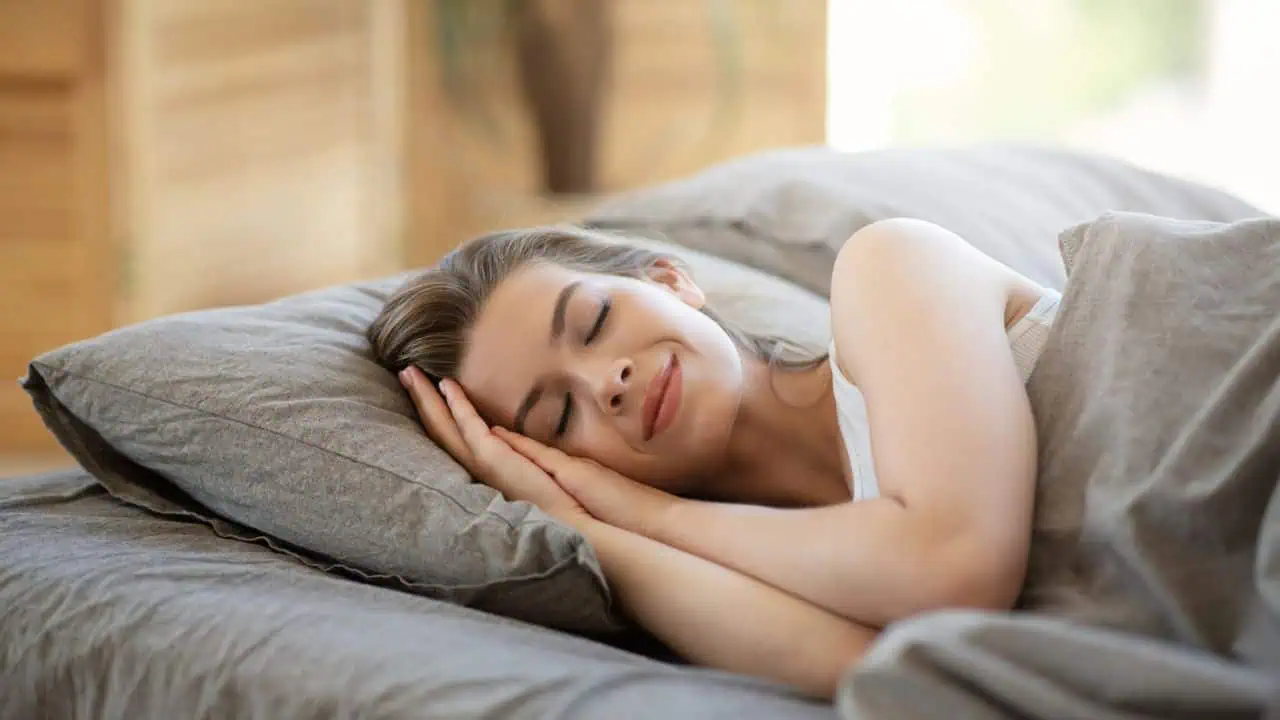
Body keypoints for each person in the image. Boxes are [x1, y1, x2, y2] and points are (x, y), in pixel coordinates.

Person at [368, 218, 1060, 699]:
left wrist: (647, 513)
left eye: (595, 323)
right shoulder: (753, 568)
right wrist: (583, 529)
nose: (606, 382)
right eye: (558, 416)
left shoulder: (889, 267)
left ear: (670, 279)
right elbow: (897, 677)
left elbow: (953, 564)